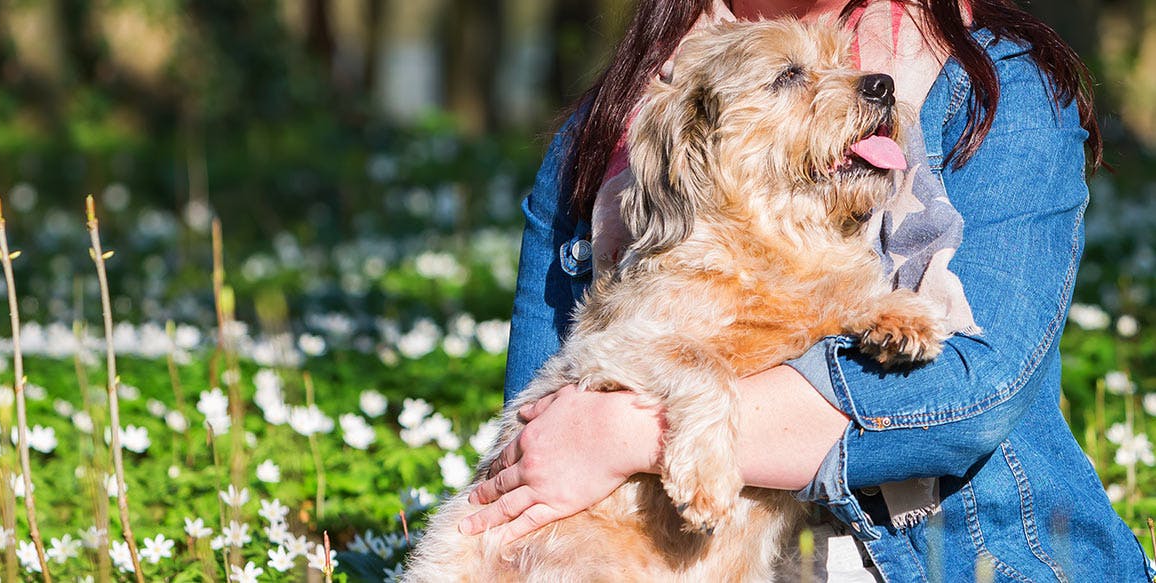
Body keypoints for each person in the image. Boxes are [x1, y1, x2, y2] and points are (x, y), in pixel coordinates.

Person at [462, 0, 1154, 579]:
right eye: (792, 77)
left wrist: (634, 431)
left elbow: (971, 395)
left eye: (838, 67)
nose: (863, 84)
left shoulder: (1001, 90)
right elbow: (537, 438)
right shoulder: (613, 127)